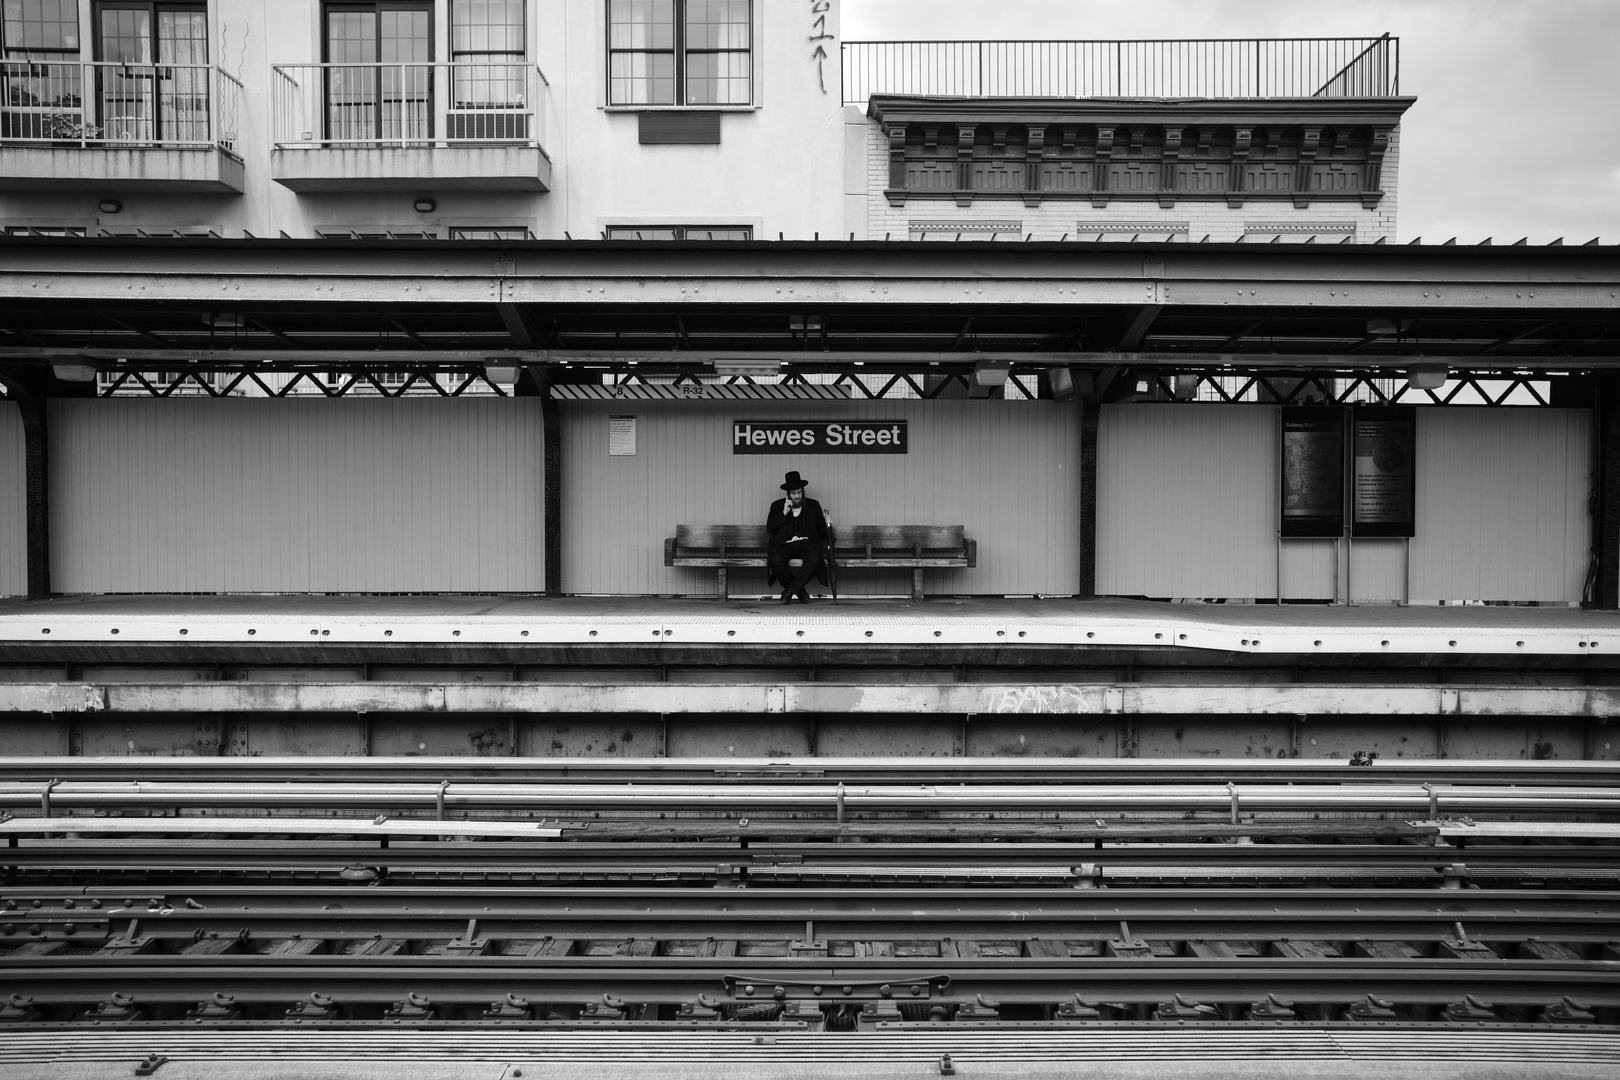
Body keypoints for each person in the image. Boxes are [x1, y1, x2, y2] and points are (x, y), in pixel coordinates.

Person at [766, 470, 831, 604]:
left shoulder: (813, 505)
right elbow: (771, 528)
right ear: (788, 494)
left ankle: (788, 592)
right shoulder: (777, 506)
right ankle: (800, 592)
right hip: (785, 544)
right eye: (794, 493)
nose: (797, 496)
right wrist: (784, 513)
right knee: (777, 561)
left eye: (799, 492)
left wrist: (828, 522)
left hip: (807, 544)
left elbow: (822, 531)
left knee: (815, 559)